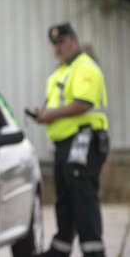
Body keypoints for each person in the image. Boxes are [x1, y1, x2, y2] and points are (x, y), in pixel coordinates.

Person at [31, 23, 109, 257]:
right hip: (65, 144)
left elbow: (82, 103)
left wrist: (49, 115)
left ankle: (94, 252)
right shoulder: (60, 71)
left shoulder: (85, 67)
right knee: (65, 200)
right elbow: (58, 104)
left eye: (61, 42)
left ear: (74, 40)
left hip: (83, 141)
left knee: (83, 199)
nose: (57, 48)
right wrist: (43, 114)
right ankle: (60, 249)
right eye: (54, 44)